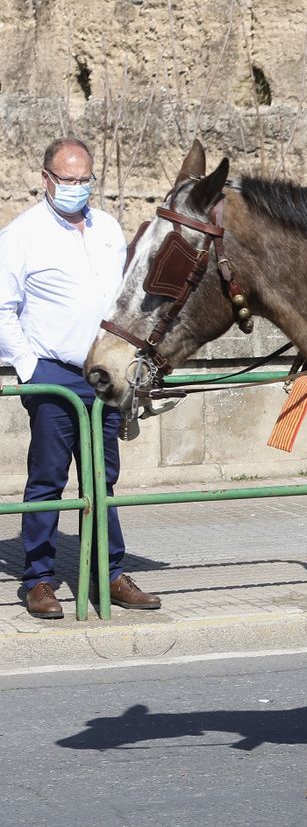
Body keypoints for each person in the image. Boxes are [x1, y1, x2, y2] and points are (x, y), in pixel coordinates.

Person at [0, 138, 161, 618]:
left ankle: (108, 574)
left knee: (101, 477)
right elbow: (2, 309)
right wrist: (29, 367)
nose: (76, 188)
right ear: (46, 178)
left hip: (104, 372)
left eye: (84, 179)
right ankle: (39, 579)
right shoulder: (21, 235)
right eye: (67, 179)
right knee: (47, 478)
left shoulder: (107, 229)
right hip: (51, 373)